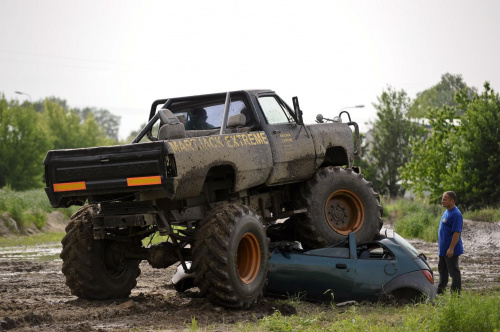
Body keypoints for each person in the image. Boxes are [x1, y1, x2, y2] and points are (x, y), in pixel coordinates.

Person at [437, 191, 464, 294]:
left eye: (445, 199)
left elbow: (456, 232)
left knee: (454, 273)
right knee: (442, 272)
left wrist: (451, 248)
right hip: (443, 250)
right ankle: (439, 294)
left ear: (452, 201)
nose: (442, 201)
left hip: (451, 251)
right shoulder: (447, 211)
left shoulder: (456, 214)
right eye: (442, 198)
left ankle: (455, 296)